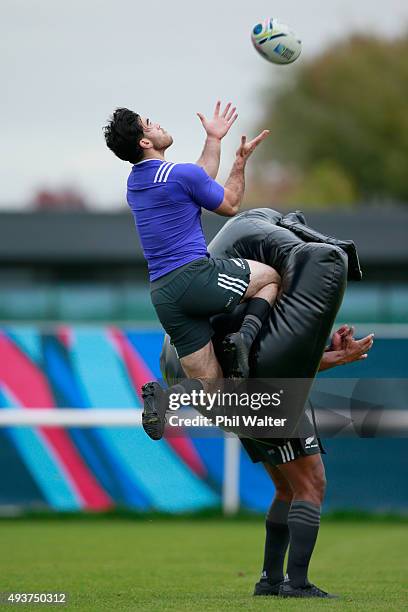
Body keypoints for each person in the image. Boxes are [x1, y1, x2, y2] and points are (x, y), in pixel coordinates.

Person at [104, 101, 281, 440]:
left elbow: (198, 180)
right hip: (196, 278)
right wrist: (240, 162)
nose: (157, 125)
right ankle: (244, 337)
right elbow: (228, 203)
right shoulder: (180, 175)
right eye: (150, 123)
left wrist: (213, 140)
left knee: (211, 390)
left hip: (164, 296)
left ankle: (166, 397)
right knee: (271, 277)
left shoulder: (136, 184)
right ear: (144, 142)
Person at [252, 324, 374, 598]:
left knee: (288, 488)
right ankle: (296, 584)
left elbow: (281, 361)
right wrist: (342, 356)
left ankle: (270, 580)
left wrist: (332, 352)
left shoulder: (255, 305)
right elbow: (284, 365)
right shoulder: (275, 301)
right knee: (312, 485)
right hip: (275, 399)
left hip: (247, 399)